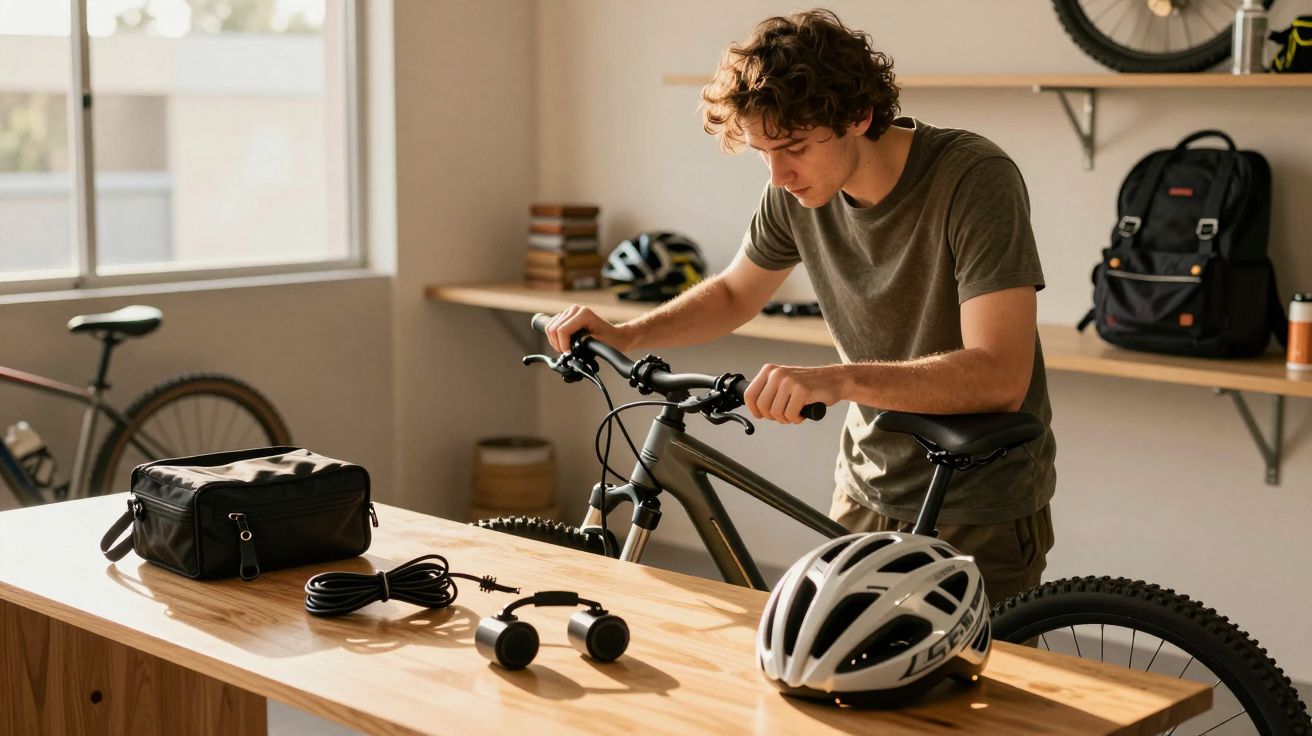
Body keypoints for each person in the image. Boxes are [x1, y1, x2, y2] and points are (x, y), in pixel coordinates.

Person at [543, 8, 1055, 604]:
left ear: (858, 116)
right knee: (827, 656)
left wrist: (836, 380)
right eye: (762, 152)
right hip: (867, 484)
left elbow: (1000, 375)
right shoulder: (795, 192)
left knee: (972, 667)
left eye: (793, 147)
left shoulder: (973, 177)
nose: (779, 174)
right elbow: (734, 293)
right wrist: (627, 333)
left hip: (979, 498)